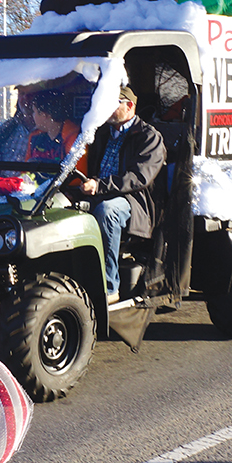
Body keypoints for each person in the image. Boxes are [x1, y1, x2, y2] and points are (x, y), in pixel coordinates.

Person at [77, 85, 165, 303]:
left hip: (132, 201)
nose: (105, 108)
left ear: (129, 106)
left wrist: (100, 186)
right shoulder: (102, 134)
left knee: (108, 212)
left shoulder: (149, 136)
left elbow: (138, 178)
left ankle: (109, 288)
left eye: (112, 103)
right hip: (97, 193)